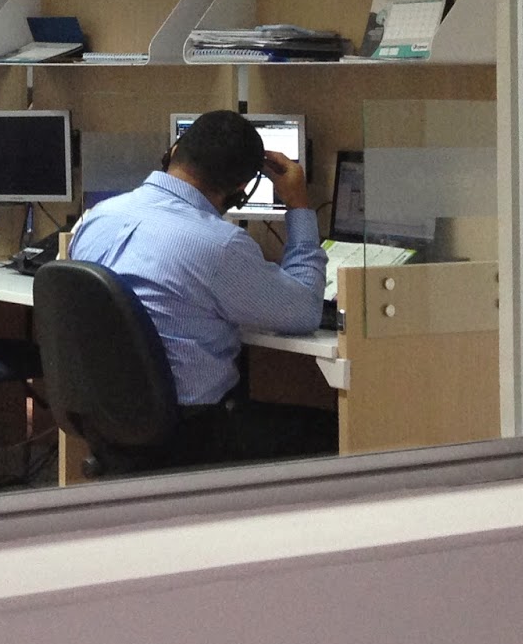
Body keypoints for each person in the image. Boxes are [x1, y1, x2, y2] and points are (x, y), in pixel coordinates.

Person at [67, 108, 334, 464]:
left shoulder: (98, 216)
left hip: (104, 420)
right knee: (334, 431)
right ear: (241, 189)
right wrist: (299, 206)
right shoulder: (220, 245)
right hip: (190, 433)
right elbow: (305, 312)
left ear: (174, 150)